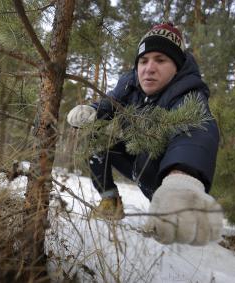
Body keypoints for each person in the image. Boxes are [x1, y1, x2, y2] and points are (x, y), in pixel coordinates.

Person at [66, 22, 223, 246]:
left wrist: (182, 177)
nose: (149, 68)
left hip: (163, 174)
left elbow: (196, 130)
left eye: (160, 60)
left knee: (168, 215)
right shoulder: (130, 82)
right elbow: (110, 103)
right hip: (135, 158)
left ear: (176, 66)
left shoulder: (188, 92)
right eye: (143, 60)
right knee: (95, 137)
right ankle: (110, 201)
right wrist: (92, 111)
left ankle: (172, 212)